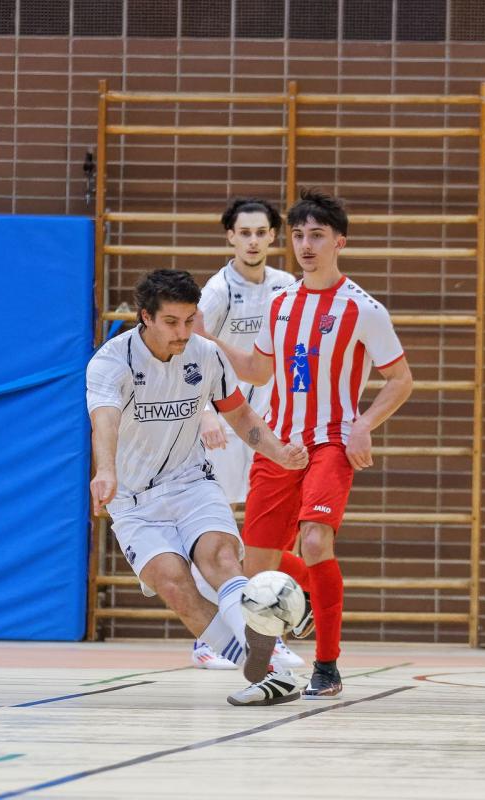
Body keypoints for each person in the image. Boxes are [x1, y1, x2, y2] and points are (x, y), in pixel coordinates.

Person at [209, 190, 414, 699]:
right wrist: (209, 341)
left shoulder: (363, 309)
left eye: (317, 236)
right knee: (257, 565)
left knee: (317, 541)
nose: (305, 245)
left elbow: (401, 379)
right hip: (279, 444)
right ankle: (299, 622)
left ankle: (327, 664)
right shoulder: (280, 303)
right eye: (299, 235)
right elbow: (259, 370)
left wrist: (364, 424)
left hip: (331, 442)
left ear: (339, 241)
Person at [87, 269, 309, 706]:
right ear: (146, 317)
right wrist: (106, 471)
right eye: (172, 322)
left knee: (220, 557)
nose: (183, 332)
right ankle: (264, 672)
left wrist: (278, 452)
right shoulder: (112, 361)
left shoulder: (206, 355)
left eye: (190, 320)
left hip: (191, 483)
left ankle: (269, 663)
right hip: (134, 500)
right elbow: (105, 421)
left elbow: (239, 414)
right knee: (174, 585)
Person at [189, 197, 301, 672]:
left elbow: (294, 354)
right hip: (224, 422)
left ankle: (265, 633)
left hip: (269, 425)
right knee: (216, 529)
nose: (253, 241)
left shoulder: (285, 286)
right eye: (245, 233)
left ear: (273, 237)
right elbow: (191, 351)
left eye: (261, 232)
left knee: (268, 533)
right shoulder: (218, 291)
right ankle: (208, 637)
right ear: (230, 238)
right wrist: (206, 413)